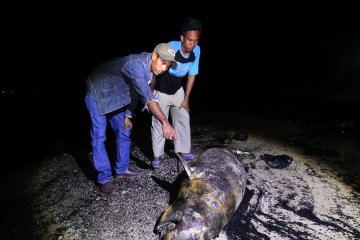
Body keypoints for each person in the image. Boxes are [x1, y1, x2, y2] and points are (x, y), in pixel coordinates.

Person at [85, 43, 178, 194]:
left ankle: (121, 169)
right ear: (154, 56)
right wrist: (165, 122)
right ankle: (104, 178)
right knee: (99, 136)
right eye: (163, 63)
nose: (164, 68)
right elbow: (147, 97)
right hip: (98, 92)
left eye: (168, 66)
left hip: (115, 96)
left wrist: (128, 115)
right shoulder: (136, 65)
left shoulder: (151, 71)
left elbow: (135, 93)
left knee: (124, 128)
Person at [150, 18, 202, 169]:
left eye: (196, 41)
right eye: (189, 40)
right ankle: (157, 156)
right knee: (159, 123)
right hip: (161, 89)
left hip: (178, 89)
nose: (192, 44)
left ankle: (183, 151)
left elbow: (192, 75)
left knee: (183, 117)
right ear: (182, 38)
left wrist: (186, 99)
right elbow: (156, 68)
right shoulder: (171, 46)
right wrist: (151, 92)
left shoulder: (197, 50)